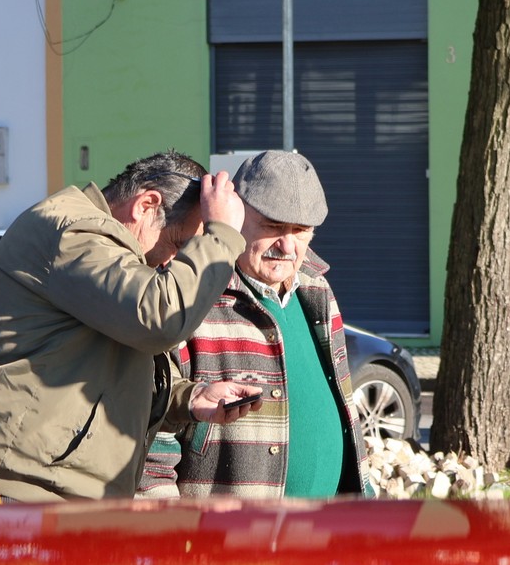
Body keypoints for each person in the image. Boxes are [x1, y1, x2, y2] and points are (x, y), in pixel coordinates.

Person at [0, 151, 262, 501]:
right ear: (146, 205)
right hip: (20, 491)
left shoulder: (104, 248)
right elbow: (160, 318)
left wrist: (189, 398)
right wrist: (221, 236)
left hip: (49, 490)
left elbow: (105, 370)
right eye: (178, 244)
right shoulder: (72, 231)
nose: (171, 260)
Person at [154, 149, 373, 498]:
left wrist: (366, 493)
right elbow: (154, 433)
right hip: (231, 530)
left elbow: (344, 408)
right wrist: (164, 522)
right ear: (236, 217)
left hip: (330, 524)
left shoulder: (317, 291)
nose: (287, 245)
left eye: (300, 231)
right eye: (272, 227)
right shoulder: (193, 296)